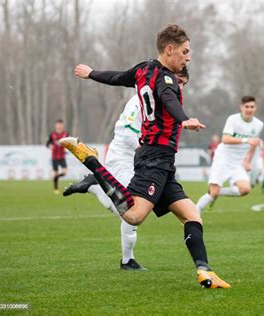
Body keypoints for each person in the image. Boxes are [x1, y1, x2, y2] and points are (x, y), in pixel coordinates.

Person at [60, 24, 229, 288]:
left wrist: (91, 73)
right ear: (170, 49)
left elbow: (117, 78)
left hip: (159, 159)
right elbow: (168, 98)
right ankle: (92, 164)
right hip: (155, 157)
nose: (188, 57)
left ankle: (205, 271)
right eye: (185, 52)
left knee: (192, 214)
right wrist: (183, 120)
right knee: (134, 216)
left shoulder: (143, 69)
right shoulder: (167, 79)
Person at [63, 69, 189, 271]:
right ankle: (127, 259)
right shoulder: (141, 98)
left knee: (135, 211)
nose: (180, 87)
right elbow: (125, 129)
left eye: (184, 84)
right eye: (178, 82)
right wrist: (147, 150)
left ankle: (95, 186)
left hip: (144, 159)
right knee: (131, 210)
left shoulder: (168, 105)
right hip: (123, 156)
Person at [196, 96, 263, 213]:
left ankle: (216, 192)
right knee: (213, 193)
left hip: (238, 162)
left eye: (252, 107)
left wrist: (247, 161)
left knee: (245, 189)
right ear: (241, 107)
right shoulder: (233, 119)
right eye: (246, 106)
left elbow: (254, 143)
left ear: (255, 108)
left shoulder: (258, 124)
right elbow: (225, 139)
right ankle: (193, 216)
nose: (249, 109)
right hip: (223, 158)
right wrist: (245, 140)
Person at [46, 119, 69, 194]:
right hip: (54, 157)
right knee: (55, 172)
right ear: (55, 126)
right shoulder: (52, 134)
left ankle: (55, 177)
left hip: (62, 157)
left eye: (60, 125)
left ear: (62, 126)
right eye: (58, 125)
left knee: (64, 172)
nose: (59, 126)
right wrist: (50, 146)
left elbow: (70, 143)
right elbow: (47, 143)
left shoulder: (66, 134)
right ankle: (56, 189)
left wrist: (67, 148)